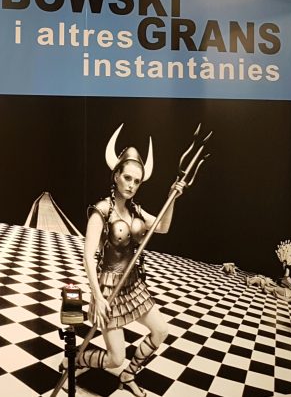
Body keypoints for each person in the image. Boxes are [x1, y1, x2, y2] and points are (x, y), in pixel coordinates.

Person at [76, 127, 185, 397]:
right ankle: (76, 359)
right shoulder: (101, 211)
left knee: (161, 331)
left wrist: (172, 197)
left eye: (137, 181)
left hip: (133, 285)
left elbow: (162, 227)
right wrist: (97, 297)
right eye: (127, 178)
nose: (131, 185)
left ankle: (129, 375)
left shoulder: (136, 210)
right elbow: (87, 256)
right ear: (116, 175)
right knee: (115, 358)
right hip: (108, 289)